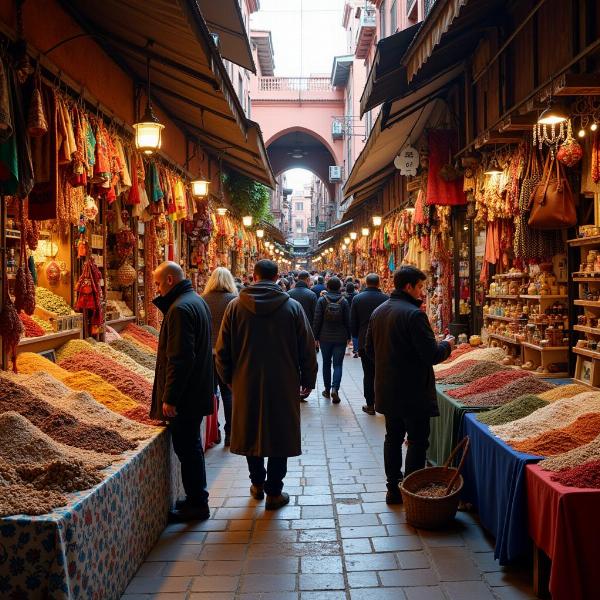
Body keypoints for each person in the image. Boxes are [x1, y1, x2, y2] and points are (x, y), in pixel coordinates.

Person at [215, 259, 318, 509]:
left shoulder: (235, 307)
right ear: (276, 277)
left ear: (254, 275)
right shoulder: (292, 307)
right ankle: (274, 491)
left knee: (252, 431)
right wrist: (308, 380)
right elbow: (307, 348)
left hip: (246, 381)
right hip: (284, 381)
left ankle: (257, 484)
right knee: (279, 433)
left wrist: (229, 379)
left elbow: (222, 351)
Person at [366, 265, 455, 504]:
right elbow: (431, 354)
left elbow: (369, 350)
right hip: (413, 391)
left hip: (387, 388)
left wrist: (388, 365)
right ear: (409, 286)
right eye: (420, 286)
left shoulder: (379, 311)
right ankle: (411, 488)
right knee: (417, 440)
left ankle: (393, 488)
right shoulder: (414, 315)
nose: (422, 292)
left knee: (392, 438)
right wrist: (447, 344)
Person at [150, 261, 214, 521]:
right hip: (197, 390)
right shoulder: (195, 301)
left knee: (188, 451)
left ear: (169, 281)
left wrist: (170, 397)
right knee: (192, 449)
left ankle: (197, 504)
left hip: (187, 396)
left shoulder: (179, 309)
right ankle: (196, 498)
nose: (156, 289)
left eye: (157, 283)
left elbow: (180, 358)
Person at [202, 267, 238, 446]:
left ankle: (213, 431)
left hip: (207, 355)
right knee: (228, 394)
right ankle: (230, 433)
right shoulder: (234, 300)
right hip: (227, 355)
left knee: (210, 393)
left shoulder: (202, 300)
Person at [350, 273, 388, 415]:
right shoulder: (386, 299)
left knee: (368, 373)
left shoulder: (358, 298)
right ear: (379, 283)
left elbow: (353, 321)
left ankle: (370, 405)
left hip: (364, 340)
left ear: (365, 283)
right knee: (382, 372)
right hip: (382, 340)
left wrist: (355, 337)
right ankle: (382, 403)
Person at [313, 276, 351, 404]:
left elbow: (317, 320)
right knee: (338, 365)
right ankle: (335, 388)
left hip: (325, 337)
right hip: (340, 337)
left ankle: (326, 389)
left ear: (327, 287)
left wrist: (315, 337)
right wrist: (349, 337)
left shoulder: (322, 300)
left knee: (326, 363)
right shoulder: (344, 301)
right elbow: (348, 321)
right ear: (339, 287)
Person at [344, 282, 359, 357]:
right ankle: (356, 350)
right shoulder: (356, 295)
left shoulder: (344, 295)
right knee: (355, 334)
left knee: (346, 332)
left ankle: (346, 348)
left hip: (346, 316)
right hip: (354, 316)